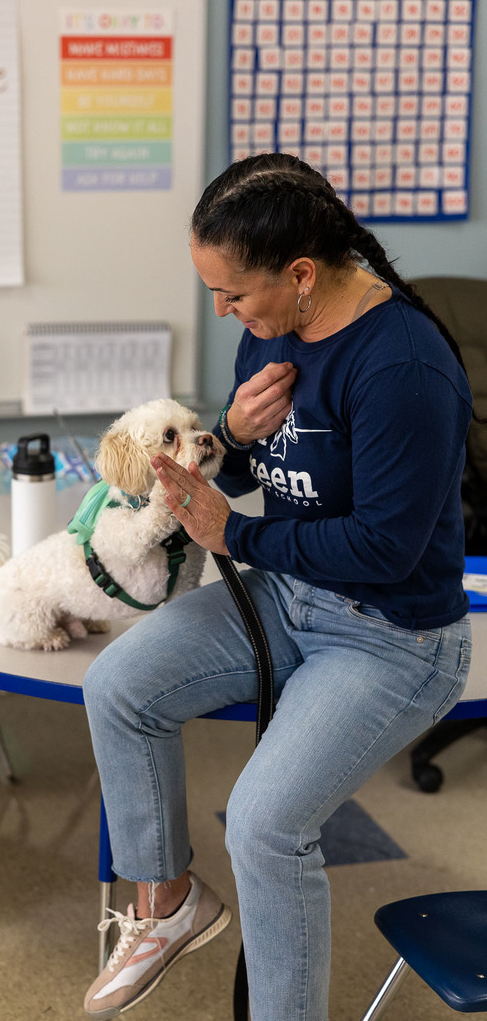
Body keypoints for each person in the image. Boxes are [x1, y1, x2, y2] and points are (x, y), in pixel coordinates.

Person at [82, 153, 473, 1021]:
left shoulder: (400, 367)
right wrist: (224, 432)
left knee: (263, 824)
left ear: (300, 275)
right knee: (116, 685)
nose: (224, 312)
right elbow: (265, 463)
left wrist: (235, 533)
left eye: (233, 296)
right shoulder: (273, 323)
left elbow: (384, 548)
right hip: (291, 591)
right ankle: (167, 902)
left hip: (392, 633)